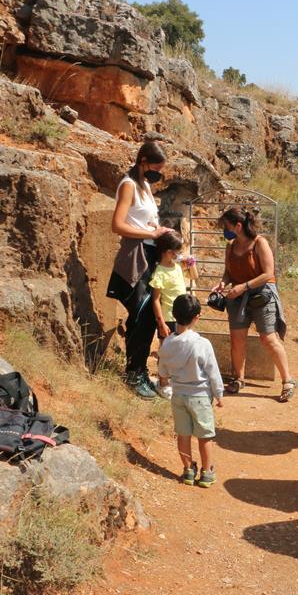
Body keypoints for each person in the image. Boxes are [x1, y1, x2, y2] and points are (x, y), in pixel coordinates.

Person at [107, 141, 174, 400]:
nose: (157, 172)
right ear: (143, 160)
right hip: (136, 255)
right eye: (155, 167)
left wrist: (159, 233)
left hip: (150, 253)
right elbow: (117, 225)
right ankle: (134, 373)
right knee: (143, 315)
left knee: (144, 316)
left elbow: (145, 222)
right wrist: (151, 232)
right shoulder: (129, 185)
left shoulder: (145, 184)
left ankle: (139, 370)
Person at [212, 206, 296, 402]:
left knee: (268, 339)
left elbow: (268, 273)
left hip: (262, 295)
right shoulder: (230, 246)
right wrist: (222, 283)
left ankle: (288, 381)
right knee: (237, 338)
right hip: (238, 296)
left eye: (226, 225)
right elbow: (228, 272)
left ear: (238, 226)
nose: (224, 229)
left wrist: (243, 287)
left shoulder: (260, 243)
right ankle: (238, 378)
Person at [159, 294, 224, 488]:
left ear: (173, 314)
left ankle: (188, 470)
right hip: (200, 397)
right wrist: (219, 395)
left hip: (178, 395)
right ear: (197, 317)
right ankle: (206, 472)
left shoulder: (167, 343)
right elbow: (213, 372)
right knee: (204, 436)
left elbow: (163, 369)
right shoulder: (202, 344)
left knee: (183, 435)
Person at [150, 230, 199, 398]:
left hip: (182, 316)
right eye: (177, 251)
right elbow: (155, 300)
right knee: (165, 351)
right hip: (168, 318)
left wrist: (191, 262)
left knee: (180, 349)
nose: (179, 254)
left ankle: (174, 381)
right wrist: (161, 323)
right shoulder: (159, 272)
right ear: (168, 251)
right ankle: (162, 382)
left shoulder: (177, 266)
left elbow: (195, 276)